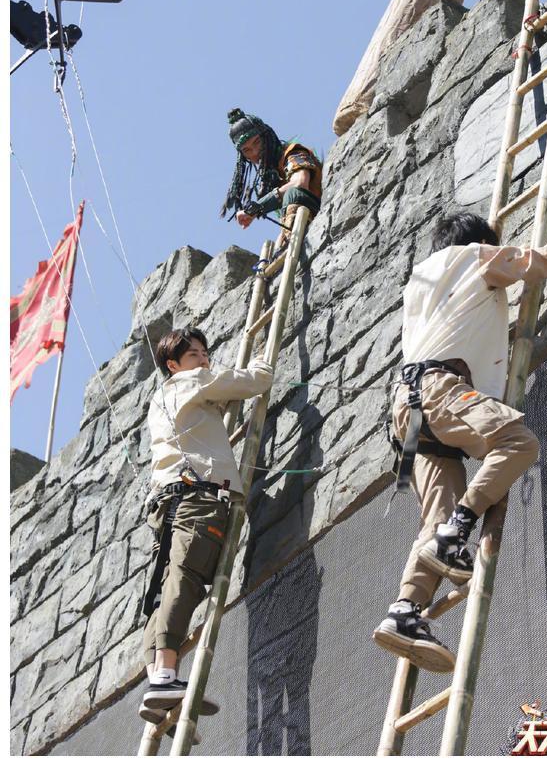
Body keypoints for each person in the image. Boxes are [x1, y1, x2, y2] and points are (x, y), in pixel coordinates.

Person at [373, 212, 547, 672]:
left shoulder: (420, 280)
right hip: (440, 389)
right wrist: (508, 247)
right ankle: (458, 529)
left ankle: (404, 611)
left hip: (408, 411)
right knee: (518, 444)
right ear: (479, 241)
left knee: (433, 517)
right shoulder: (476, 258)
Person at [139, 327, 273, 722]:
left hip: (168, 500)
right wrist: (264, 357)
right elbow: (256, 381)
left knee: (169, 588)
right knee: (188, 576)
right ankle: (165, 677)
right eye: (194, 354)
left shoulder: (159, 401)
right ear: (173, 364)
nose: (203, 359)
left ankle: (158, 682)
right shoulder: (192, 381)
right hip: (198, 497)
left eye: (204, 352)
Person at [220, 108, 322, 253]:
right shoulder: (273, 175)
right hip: (301, 220)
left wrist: (258, 207)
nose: (255, 152)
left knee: (293, 194)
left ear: (266, 136)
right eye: (247, 150)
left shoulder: (293, 153)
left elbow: (300, 183)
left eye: (257, 142)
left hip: (320, 209)